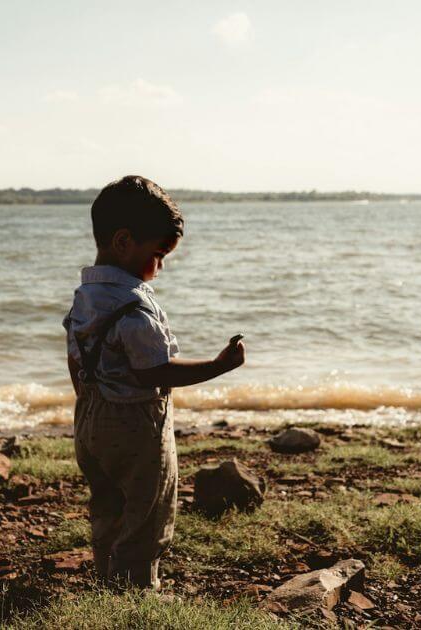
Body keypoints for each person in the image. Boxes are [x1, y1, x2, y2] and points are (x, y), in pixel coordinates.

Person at [63, 175, 246, 590]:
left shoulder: (84, 296)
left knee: (107, 500)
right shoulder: (135, 307)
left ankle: (106, 578)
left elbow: (74, 359)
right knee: (148, 510)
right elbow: (155, 371)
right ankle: (136, 590)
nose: (159, 268)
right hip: (136, 422)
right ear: (123, 242)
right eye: (158, 255)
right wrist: (219, 366)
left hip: (89, 417)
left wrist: (88, 400)